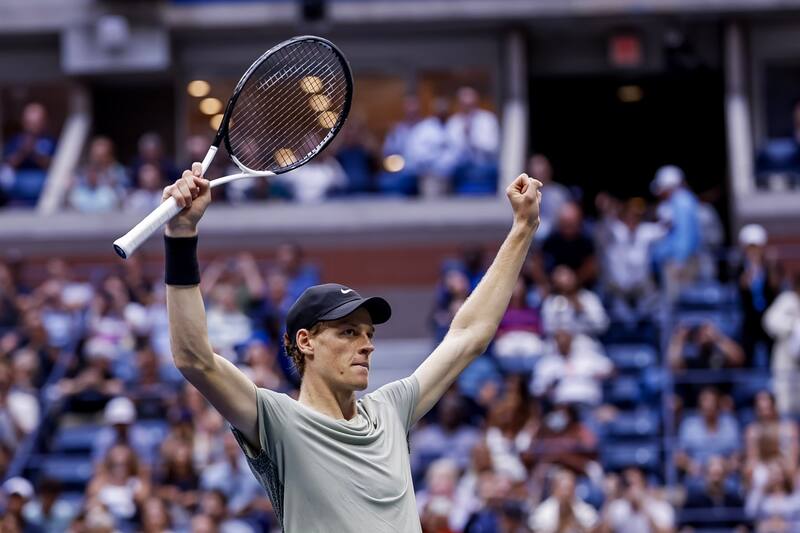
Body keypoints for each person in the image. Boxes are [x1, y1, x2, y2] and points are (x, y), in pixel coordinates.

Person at [160, 162, 542, 531]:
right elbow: (195, 359)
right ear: (305, 342)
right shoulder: (278, 421)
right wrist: (181, 237)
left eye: (369, 334)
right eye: (348, 332)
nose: (366, 345)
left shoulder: (390, 410)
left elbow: (468, 336)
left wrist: (523, 229)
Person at [649, 165, 701, 298]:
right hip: (677, 261)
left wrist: (680, 262)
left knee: (678, 304)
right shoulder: (679, 201)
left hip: (678, 263)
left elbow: (685, 234)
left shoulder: (681, 201)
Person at [736, 224, 782, 366]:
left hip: (768, 315)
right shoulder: (740, 267)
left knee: (772, 352)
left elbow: (775, 286)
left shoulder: (770, 267)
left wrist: (770, 265)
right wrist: (752, 267)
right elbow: (743, 285)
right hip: (750, 318)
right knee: (747, 351)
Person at [1, 102, 56, 206]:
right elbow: (8, 164)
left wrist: (35, 153)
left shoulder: (49, 140)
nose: (32, 126)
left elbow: (54, 165)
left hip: (41, 179)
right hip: (18, 179)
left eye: (36, 123)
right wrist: (22, 152)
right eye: (29, 123)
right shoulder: (16, 140)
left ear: (43, 122)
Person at [763, 273, 800, 417]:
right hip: (786, 363)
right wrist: (793, 326)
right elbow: (769, 321)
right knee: (784, 406)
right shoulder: (787, 300)